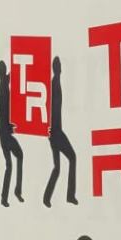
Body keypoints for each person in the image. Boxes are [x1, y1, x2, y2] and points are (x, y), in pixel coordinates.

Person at [43, 57, 78, 208]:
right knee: (72, 157)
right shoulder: (54, 83)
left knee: (57, 167)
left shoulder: (55, 82)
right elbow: (53, 108)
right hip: (56, 132)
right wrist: (51, 129)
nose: (60, 68)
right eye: (58, 65)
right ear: (56, 68)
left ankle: (47, 197)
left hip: (54, 131)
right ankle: (69, 195)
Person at [0, 61, 24, 207]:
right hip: (4, 133)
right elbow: (3, 113)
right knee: (15, 159)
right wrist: (10, 127)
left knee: (11, 163)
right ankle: (14, 192)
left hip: (3, 130)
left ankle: (7, 196)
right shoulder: (3, 90)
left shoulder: (4, 83)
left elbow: (10, 75)